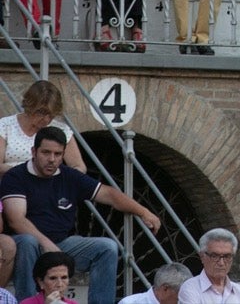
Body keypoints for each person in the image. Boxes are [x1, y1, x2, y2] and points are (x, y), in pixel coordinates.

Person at [2, 126, 161, 304]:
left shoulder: (70, 176)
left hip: (63, 243)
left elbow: (109, 195)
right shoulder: (16, 176)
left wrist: (143, 212)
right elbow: (15, 220)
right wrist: (47, 244)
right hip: (29, 244)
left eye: (58, 154)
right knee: (26, 242)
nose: (52, 159)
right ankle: (27, 301)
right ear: (33, 151)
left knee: (107, 247)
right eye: (46, 153)